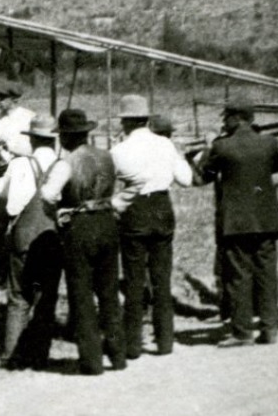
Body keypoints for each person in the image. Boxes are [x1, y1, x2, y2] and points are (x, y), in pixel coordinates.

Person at [197, 97, 278, 347]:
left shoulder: (221, 146)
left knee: (238, 277)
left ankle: (242, 332)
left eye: (226, 118)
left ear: (235, 118)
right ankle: (270, 329)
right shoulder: (269, 143)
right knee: (267, 275)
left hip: (236, 224)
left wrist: (207, 148)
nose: (224, 123)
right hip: (267, 220)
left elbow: (203, 176)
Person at [41, 108, 125, 374]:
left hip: (80, 226)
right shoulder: (107, 157)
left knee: (82, 294)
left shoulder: (66, 163)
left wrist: (58, 214)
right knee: (109, 291)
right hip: (107, 222)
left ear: (65, 137)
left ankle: (91, 361)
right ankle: (118, 355)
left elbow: (48, 194)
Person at [110, 95, 194, 358]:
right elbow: (186, 179)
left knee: (134, 280)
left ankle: (133, 344)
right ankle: (165, 340)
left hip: (134, 209)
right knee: (161, 278)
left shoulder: (118, 150)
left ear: (124, 121)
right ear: (146, 119)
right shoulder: (165, 144)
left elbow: (106, 184)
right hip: (161, 207)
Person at [0, 115, 66, 369]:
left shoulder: (19, 164)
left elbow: (1, 194)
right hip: (50, 237)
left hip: (22, 235)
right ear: (53, 139)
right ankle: (39, 356)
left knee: (18, 297)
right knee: (46, 298)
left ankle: (11, 356)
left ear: (33, 139)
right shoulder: (62, 165)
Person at [0, 84, 36, 288]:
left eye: (4, 98)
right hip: (4, 170)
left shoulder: (29, 118)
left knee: (23, 223)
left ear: (15, 99)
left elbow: (34, 148)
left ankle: (17, 274)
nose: (0, 101)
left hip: (25, 170)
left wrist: (11, 146)